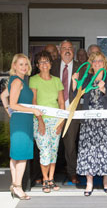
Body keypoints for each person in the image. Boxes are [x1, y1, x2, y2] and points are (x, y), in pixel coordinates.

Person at [73, 52, 107, 196]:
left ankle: (106, 182)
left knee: (105, 151)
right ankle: (89, 183)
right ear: (91, 63)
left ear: (105, 63)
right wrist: (75, 81)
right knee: (89, 151)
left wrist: (103, 89)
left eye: (100, 61)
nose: (97, 63)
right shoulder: (88, 77)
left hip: (106, 121)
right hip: (89, 121)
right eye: (94, 61)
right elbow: (79, 93)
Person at [6, 53, 42, 200]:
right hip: (21, 121)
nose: (24, 67)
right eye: (20, 64)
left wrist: (7, 110)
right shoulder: (16, 82)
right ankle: (18, 187)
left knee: (16, 155)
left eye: (26, 64)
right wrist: (33, 110)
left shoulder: (19, 81)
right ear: (14, 66)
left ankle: (14, 185)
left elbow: (4, 96)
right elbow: (13, 104)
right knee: (21, 156)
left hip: (21, 120)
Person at [29, 51, 65, 193]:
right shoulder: (34, 80)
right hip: (40, 120)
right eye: (41, 62)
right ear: (37, 65)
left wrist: (61, 122)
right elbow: (34, 102)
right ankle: (45, 179)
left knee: (53, 151)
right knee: (44, 150)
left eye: (47, 61)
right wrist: (40, 121)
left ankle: (51, 178)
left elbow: (61, 103)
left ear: (51, 64)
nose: (44, 64)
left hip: (56, 120)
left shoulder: (57, 80)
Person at [50, 40, 84, 184]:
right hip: (54, 110)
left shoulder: (80, 67)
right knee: (50, 143)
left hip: (73, 110)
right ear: (59, 51)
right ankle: (47, 173)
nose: (67, 51)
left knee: (70, 144)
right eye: (64, 48)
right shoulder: (52, 66)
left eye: (70, 48)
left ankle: (72, 172)